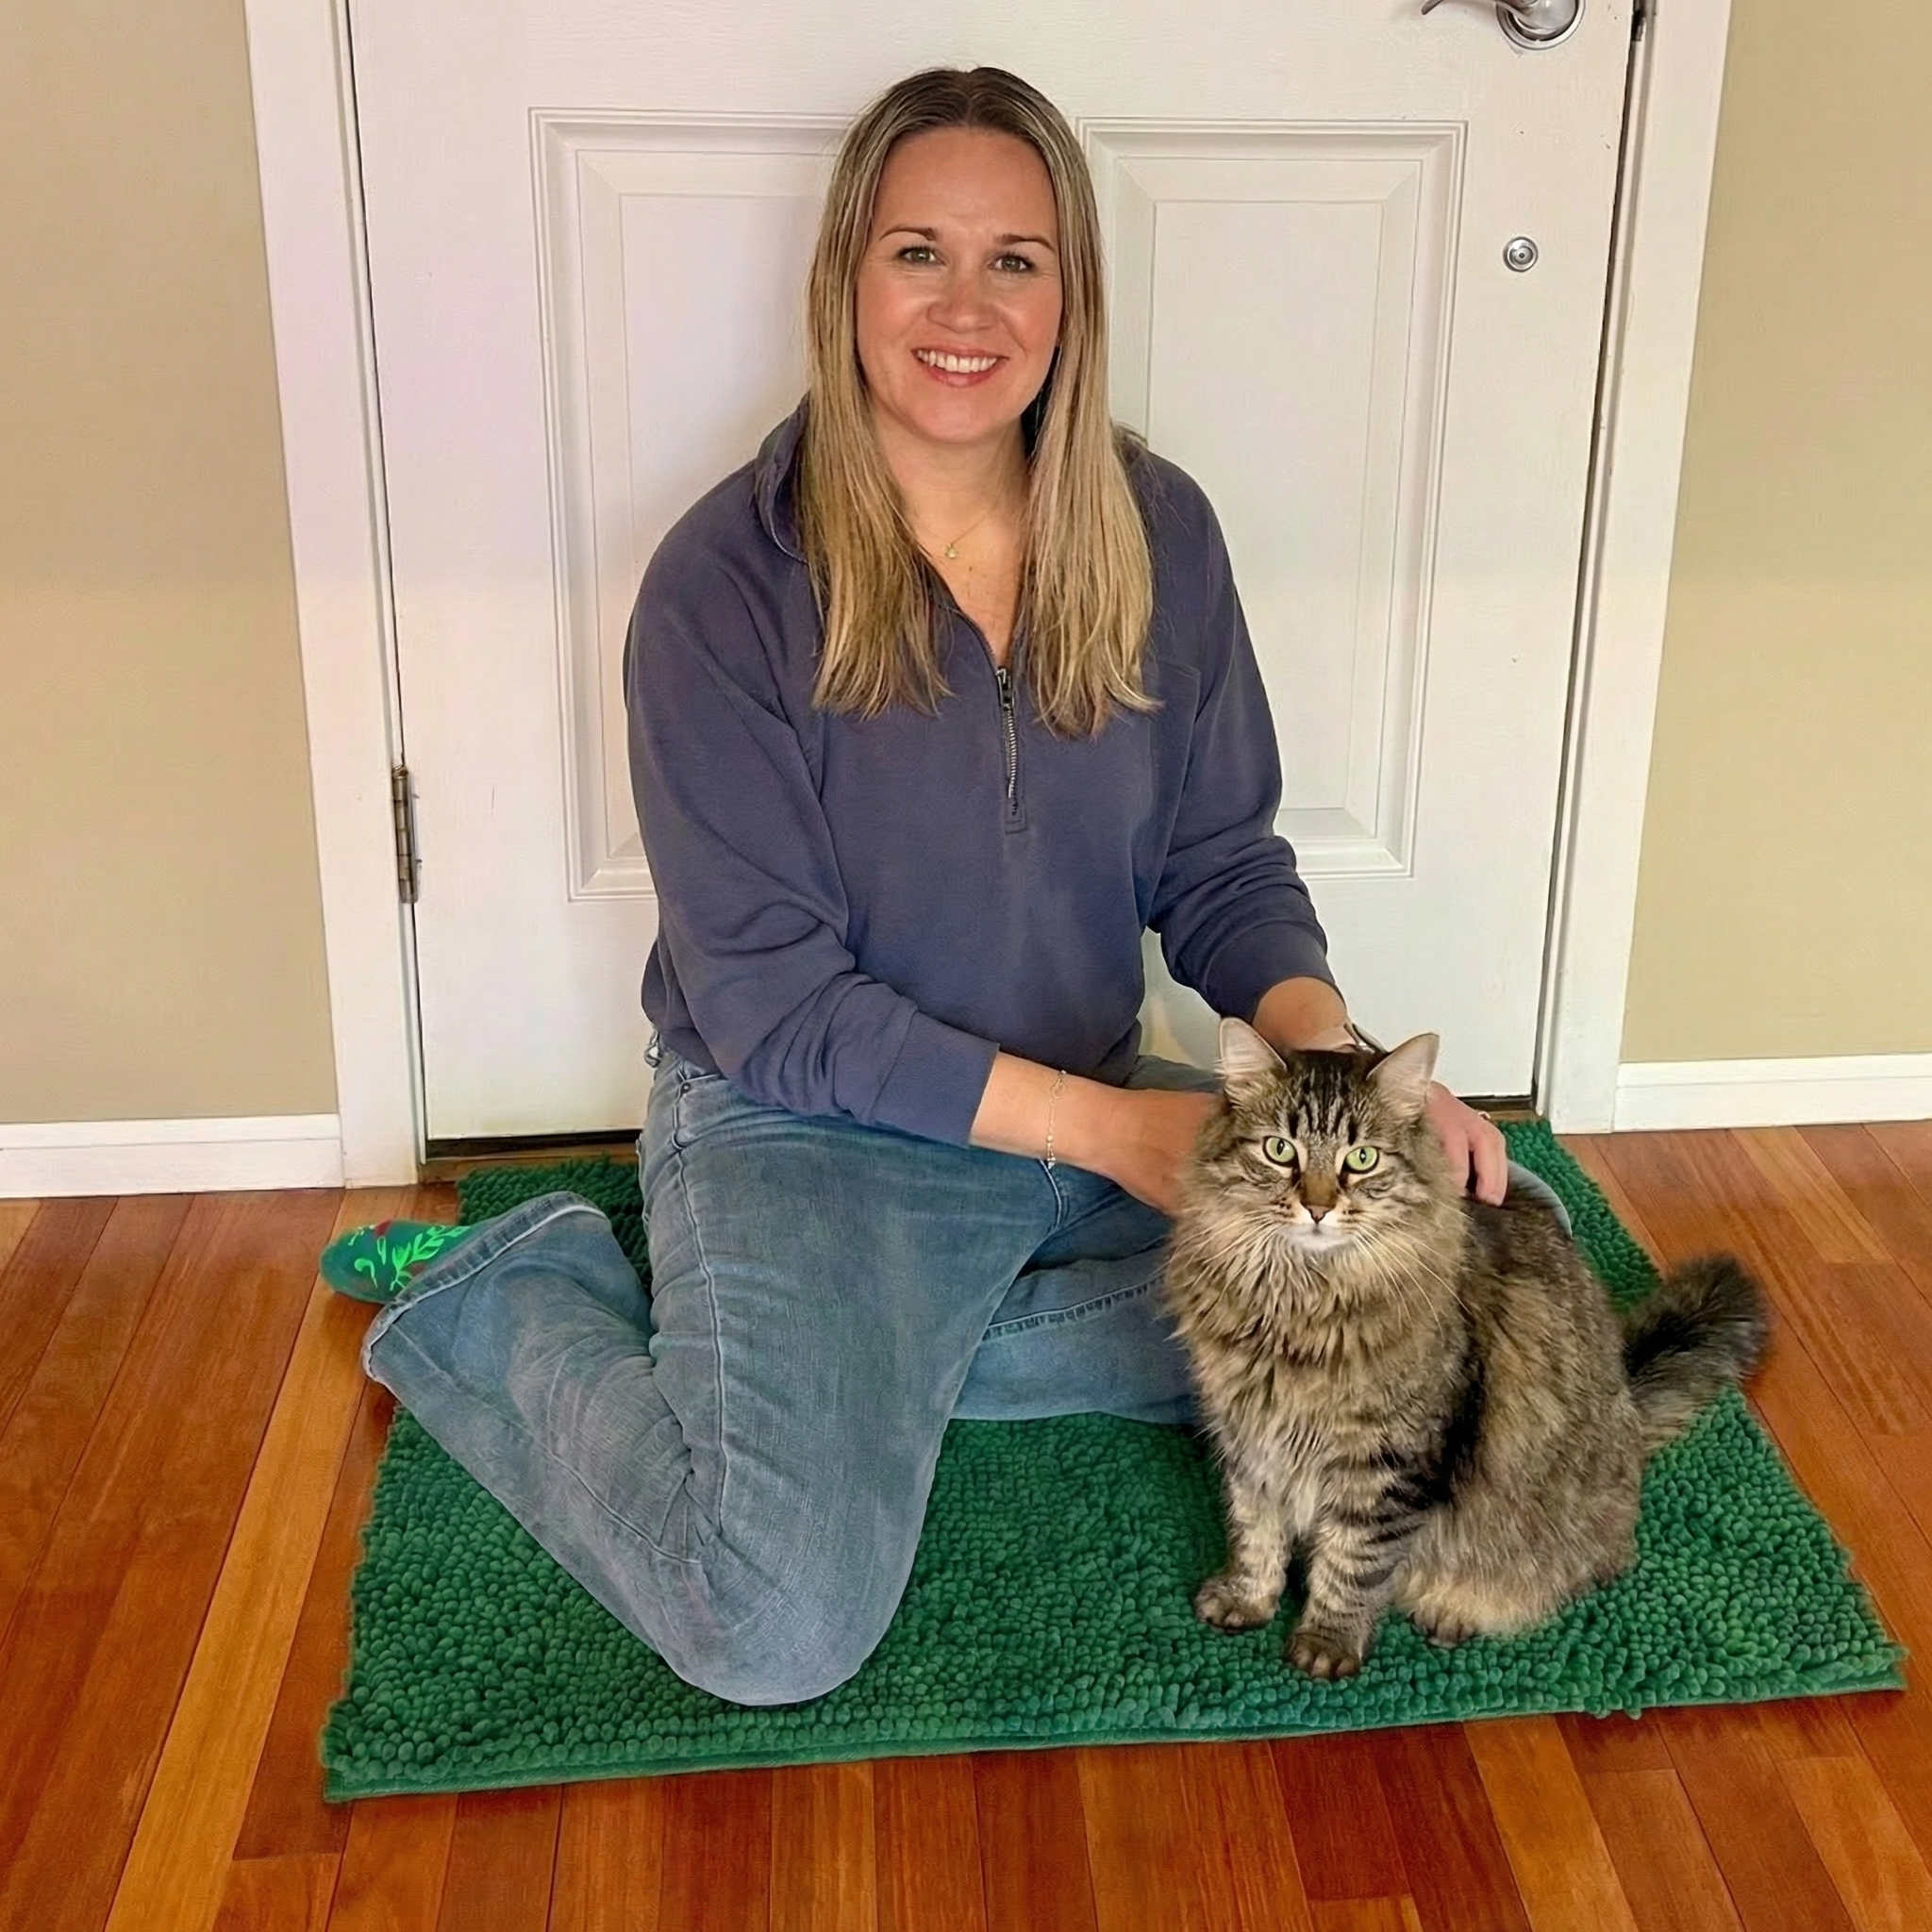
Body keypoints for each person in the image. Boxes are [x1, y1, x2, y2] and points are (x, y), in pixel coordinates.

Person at [348, 65, 1559, 1707]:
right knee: (769, 1624)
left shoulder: (1157, 531)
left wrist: (1342, 1080)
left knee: (1481, 1275)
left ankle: (864, 1362)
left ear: (1074, 295)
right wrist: (1113, 1131)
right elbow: (772, 1003)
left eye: (1018, 259)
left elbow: (1221, 861)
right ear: (847, 278)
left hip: (1082, 1100)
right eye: (920, 252)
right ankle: (523, 1293)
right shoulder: (725, 582)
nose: (966, 308)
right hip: (808, 1120)